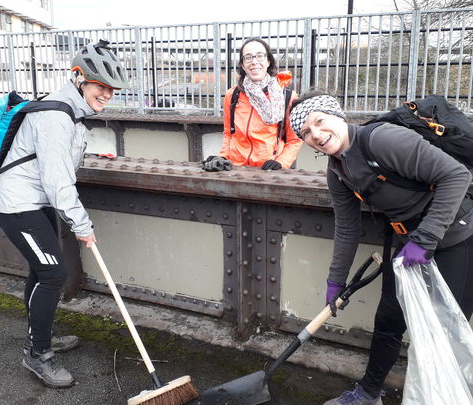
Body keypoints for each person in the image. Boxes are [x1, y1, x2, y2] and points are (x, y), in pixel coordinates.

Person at [289, 91, 473, 405]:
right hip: (406, 243)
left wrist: (425, 239)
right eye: (305, 132)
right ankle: (368, 394)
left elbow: (456, 176)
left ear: (338, 116)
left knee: (445, 332)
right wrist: (335, 280)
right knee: (388, 322)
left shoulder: (382, 140)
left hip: (456, 239)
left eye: (319, 122)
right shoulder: (337, 171)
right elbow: (347, 227)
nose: (316, 134)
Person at [0, 40, 129, 388]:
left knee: (42, 272)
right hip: (17, 205)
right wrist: (82, 225)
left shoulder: (70, 110)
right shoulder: (55, 116)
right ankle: (37, 354)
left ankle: (43, 335)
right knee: (53, 273)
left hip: (33, 201)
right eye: (101, 86)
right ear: (79, 78)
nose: (107, 94)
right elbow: (58, 180)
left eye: (112, 89)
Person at [202, 37, 302, 172]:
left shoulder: (287, 97)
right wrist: (223, 157)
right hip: (236, 169)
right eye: (248, 57)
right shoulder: (232, 95)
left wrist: (281, 163)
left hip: (269, 171)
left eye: (260, 56)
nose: (254, 62)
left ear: (268, 61)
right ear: (243, 65)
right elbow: (229, 133)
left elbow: (294, 140)